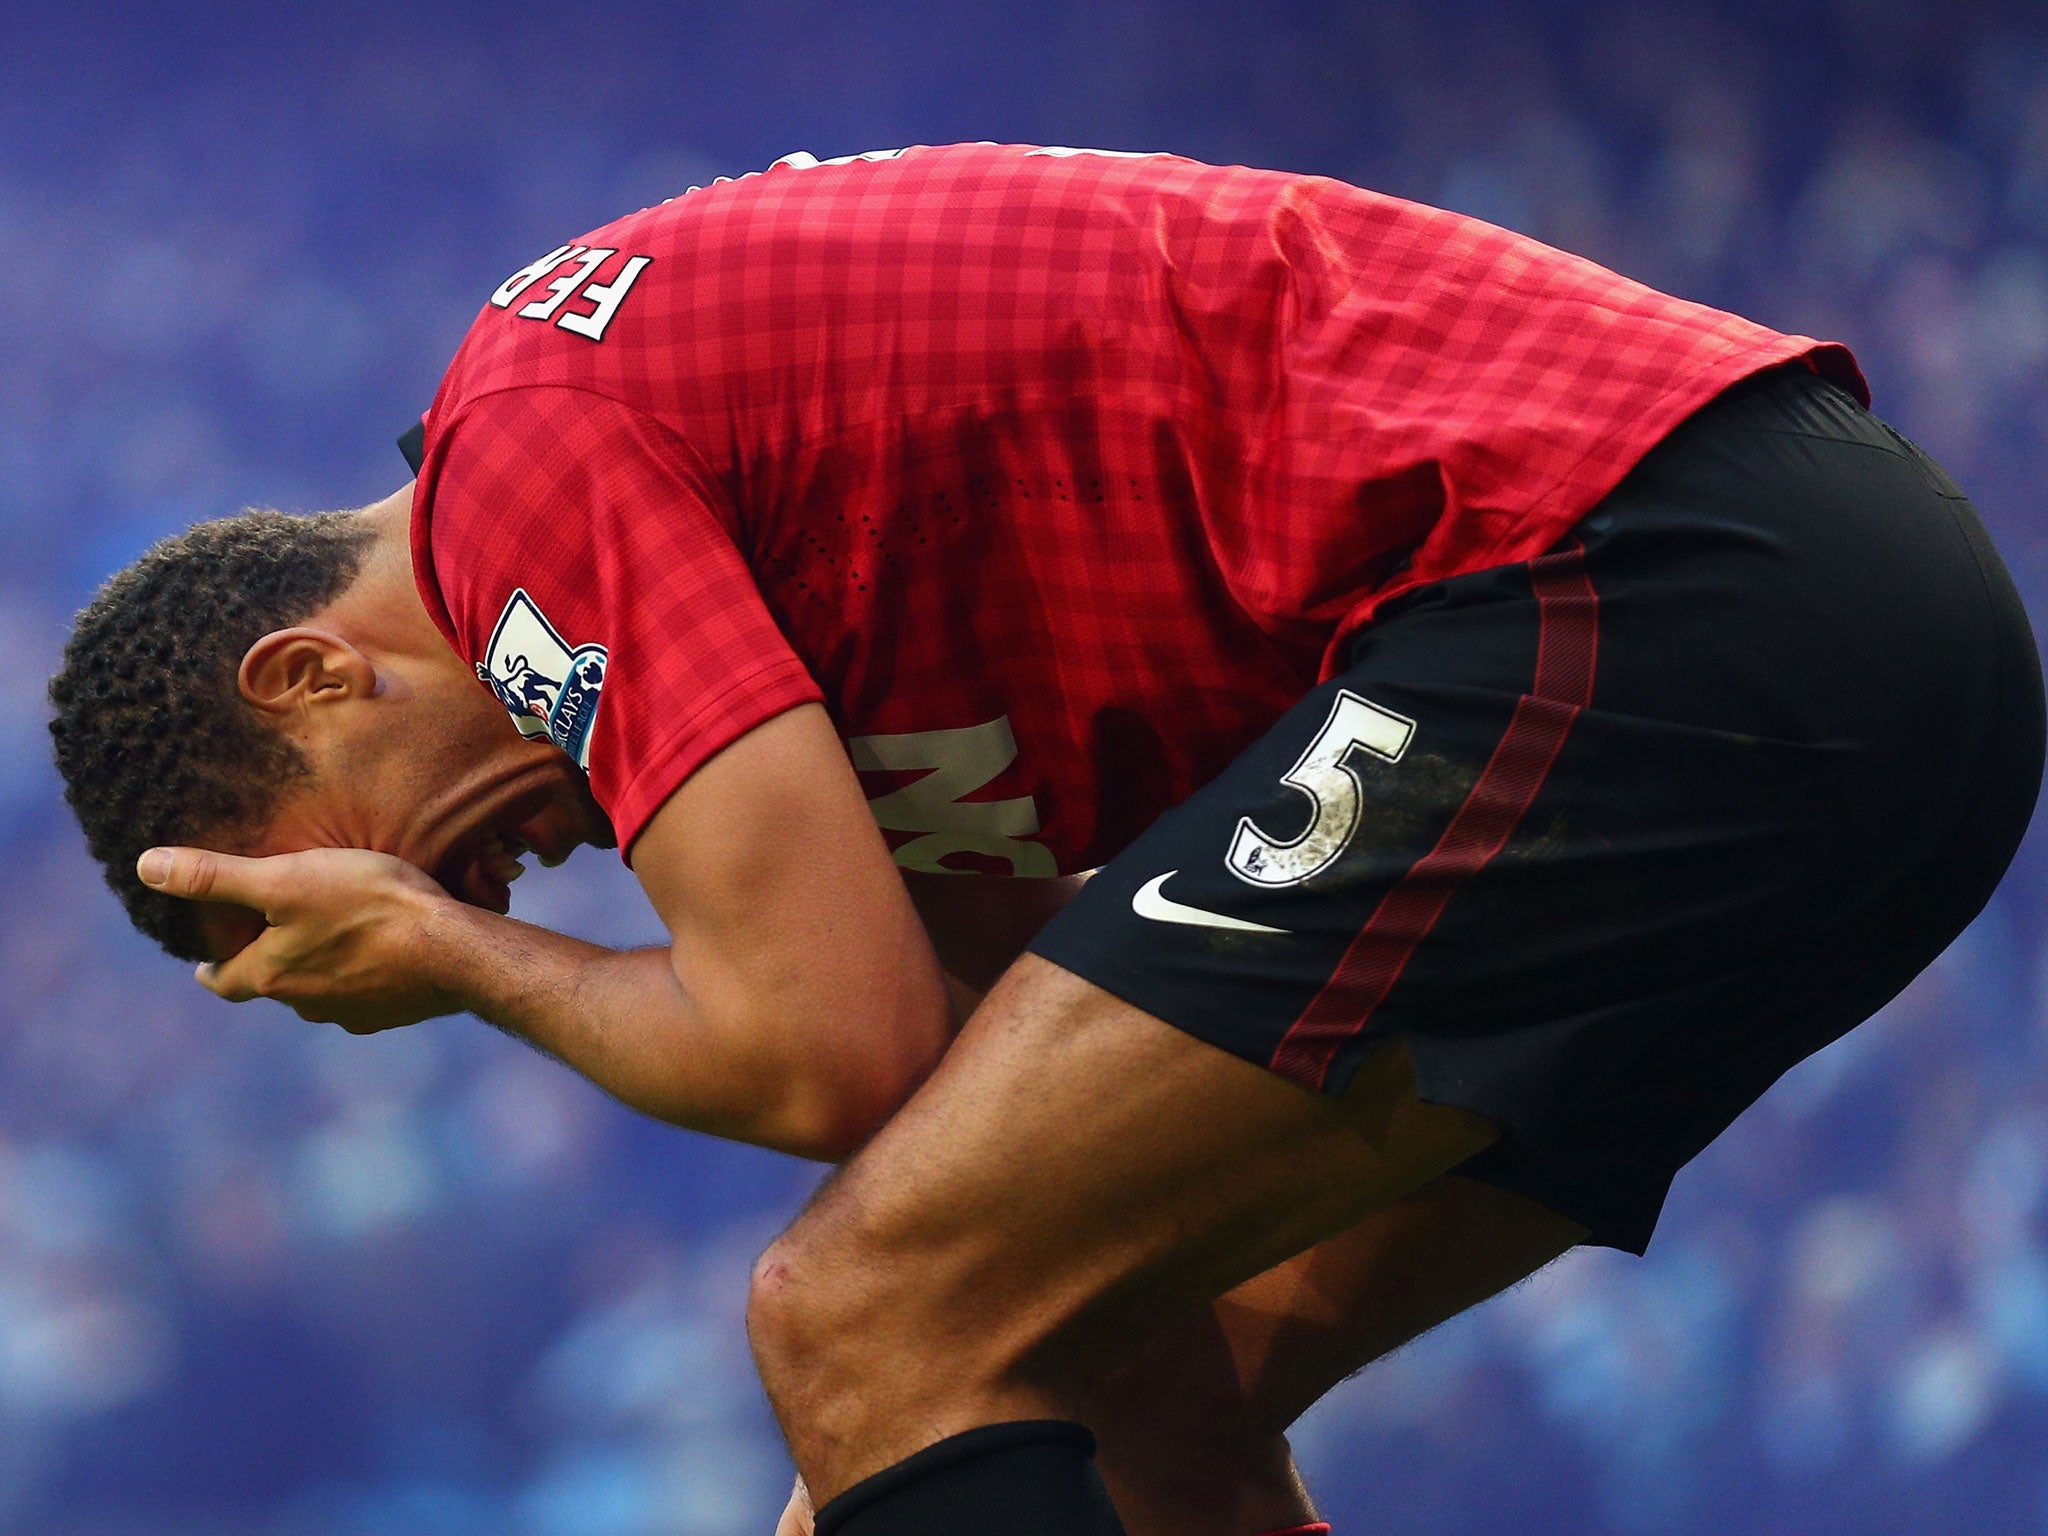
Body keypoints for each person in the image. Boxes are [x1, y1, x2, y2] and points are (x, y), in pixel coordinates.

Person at [49, 143, 2043, 1536]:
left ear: (317, 676)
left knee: (856, 1311)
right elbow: (932, 1079)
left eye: (433, 860)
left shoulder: (518, 467)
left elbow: (822, 1052)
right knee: (1102, 1395)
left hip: (1642, 590)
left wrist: (469, 971)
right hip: (1857, 657)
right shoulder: (730, 586)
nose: (519, 883)